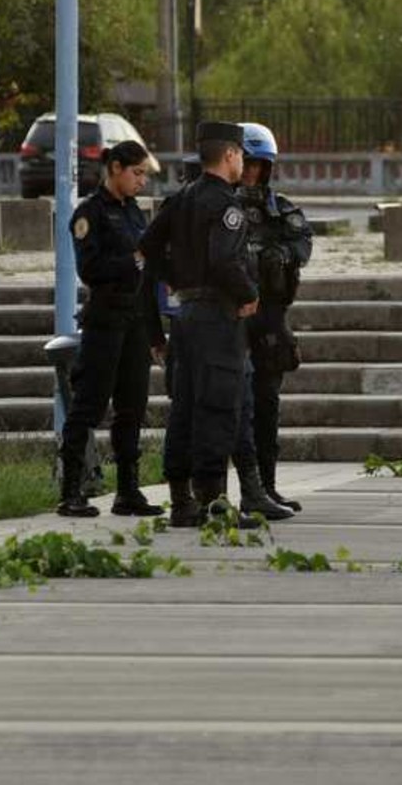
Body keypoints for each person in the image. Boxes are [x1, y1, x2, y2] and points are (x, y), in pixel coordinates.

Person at [138, 122, 259, 527]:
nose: (243, 163)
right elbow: (224, 260)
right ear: (230, 155)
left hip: (185, 316)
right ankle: (213, 503)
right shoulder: (226, 205)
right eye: (241, 155)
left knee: (185, 408)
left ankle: (181, 501)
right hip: (216, 319)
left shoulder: (181, 199)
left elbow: (148, 246)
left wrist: (175, 277)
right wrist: (248, 294)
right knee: (217, 407)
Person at [55, 140, 165, 519]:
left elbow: (147, 273)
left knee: (132, 407)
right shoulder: (91, 213)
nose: (141, 182)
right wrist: (133, 260)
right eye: (137, 173)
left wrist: (155, 333)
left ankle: (128, 491)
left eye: (144, 175)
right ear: (115, 168)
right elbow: (91, 269)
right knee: (89, 404)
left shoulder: (133, 212)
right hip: (105, 321)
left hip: (135, 321)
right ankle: (72, 490)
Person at [237, 122, 312, 512]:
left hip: (269, 317)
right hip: (233, 316)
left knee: (267, 405)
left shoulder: (280, 209)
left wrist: (281, 255)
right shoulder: (222, 206)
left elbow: (303, 243)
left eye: (258, 166)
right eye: (246, 164)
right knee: (233, 408)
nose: (251, 173)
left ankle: (266, 487)